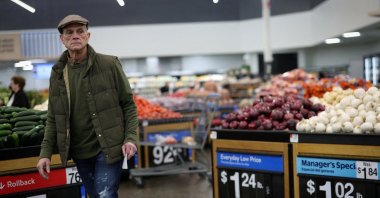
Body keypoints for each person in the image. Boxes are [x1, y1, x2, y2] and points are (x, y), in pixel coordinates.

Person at [36, 14, 138, 198]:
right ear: (62, 39)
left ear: (88, 36)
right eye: (69, 32)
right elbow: (53, 117)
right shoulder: (58, 73)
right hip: (79, 151)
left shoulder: (109, 64)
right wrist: (45, 153)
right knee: (94, 194)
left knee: (105, 195)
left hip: (108, 147)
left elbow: (129, 105)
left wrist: (130, 138)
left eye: (80, 31)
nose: (75, 35)